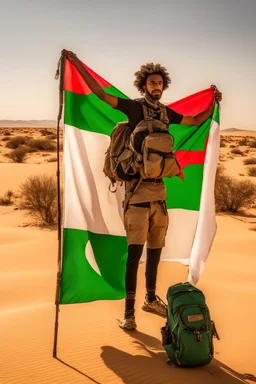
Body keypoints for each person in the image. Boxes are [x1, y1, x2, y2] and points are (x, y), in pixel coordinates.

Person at [61, 50, 222, 330]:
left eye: (160, 83)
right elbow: (100, 95)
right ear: (143, 85)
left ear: (164, 85)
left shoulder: (166, 113)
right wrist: (76, 64)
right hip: (136, 195)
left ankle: (150, 299)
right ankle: (129, 313)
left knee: (156, 252)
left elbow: (196, 121)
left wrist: (213, 104)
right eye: (152, 83)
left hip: (159, 195)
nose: (156, 86)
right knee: (134, 255)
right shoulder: (134, 108)